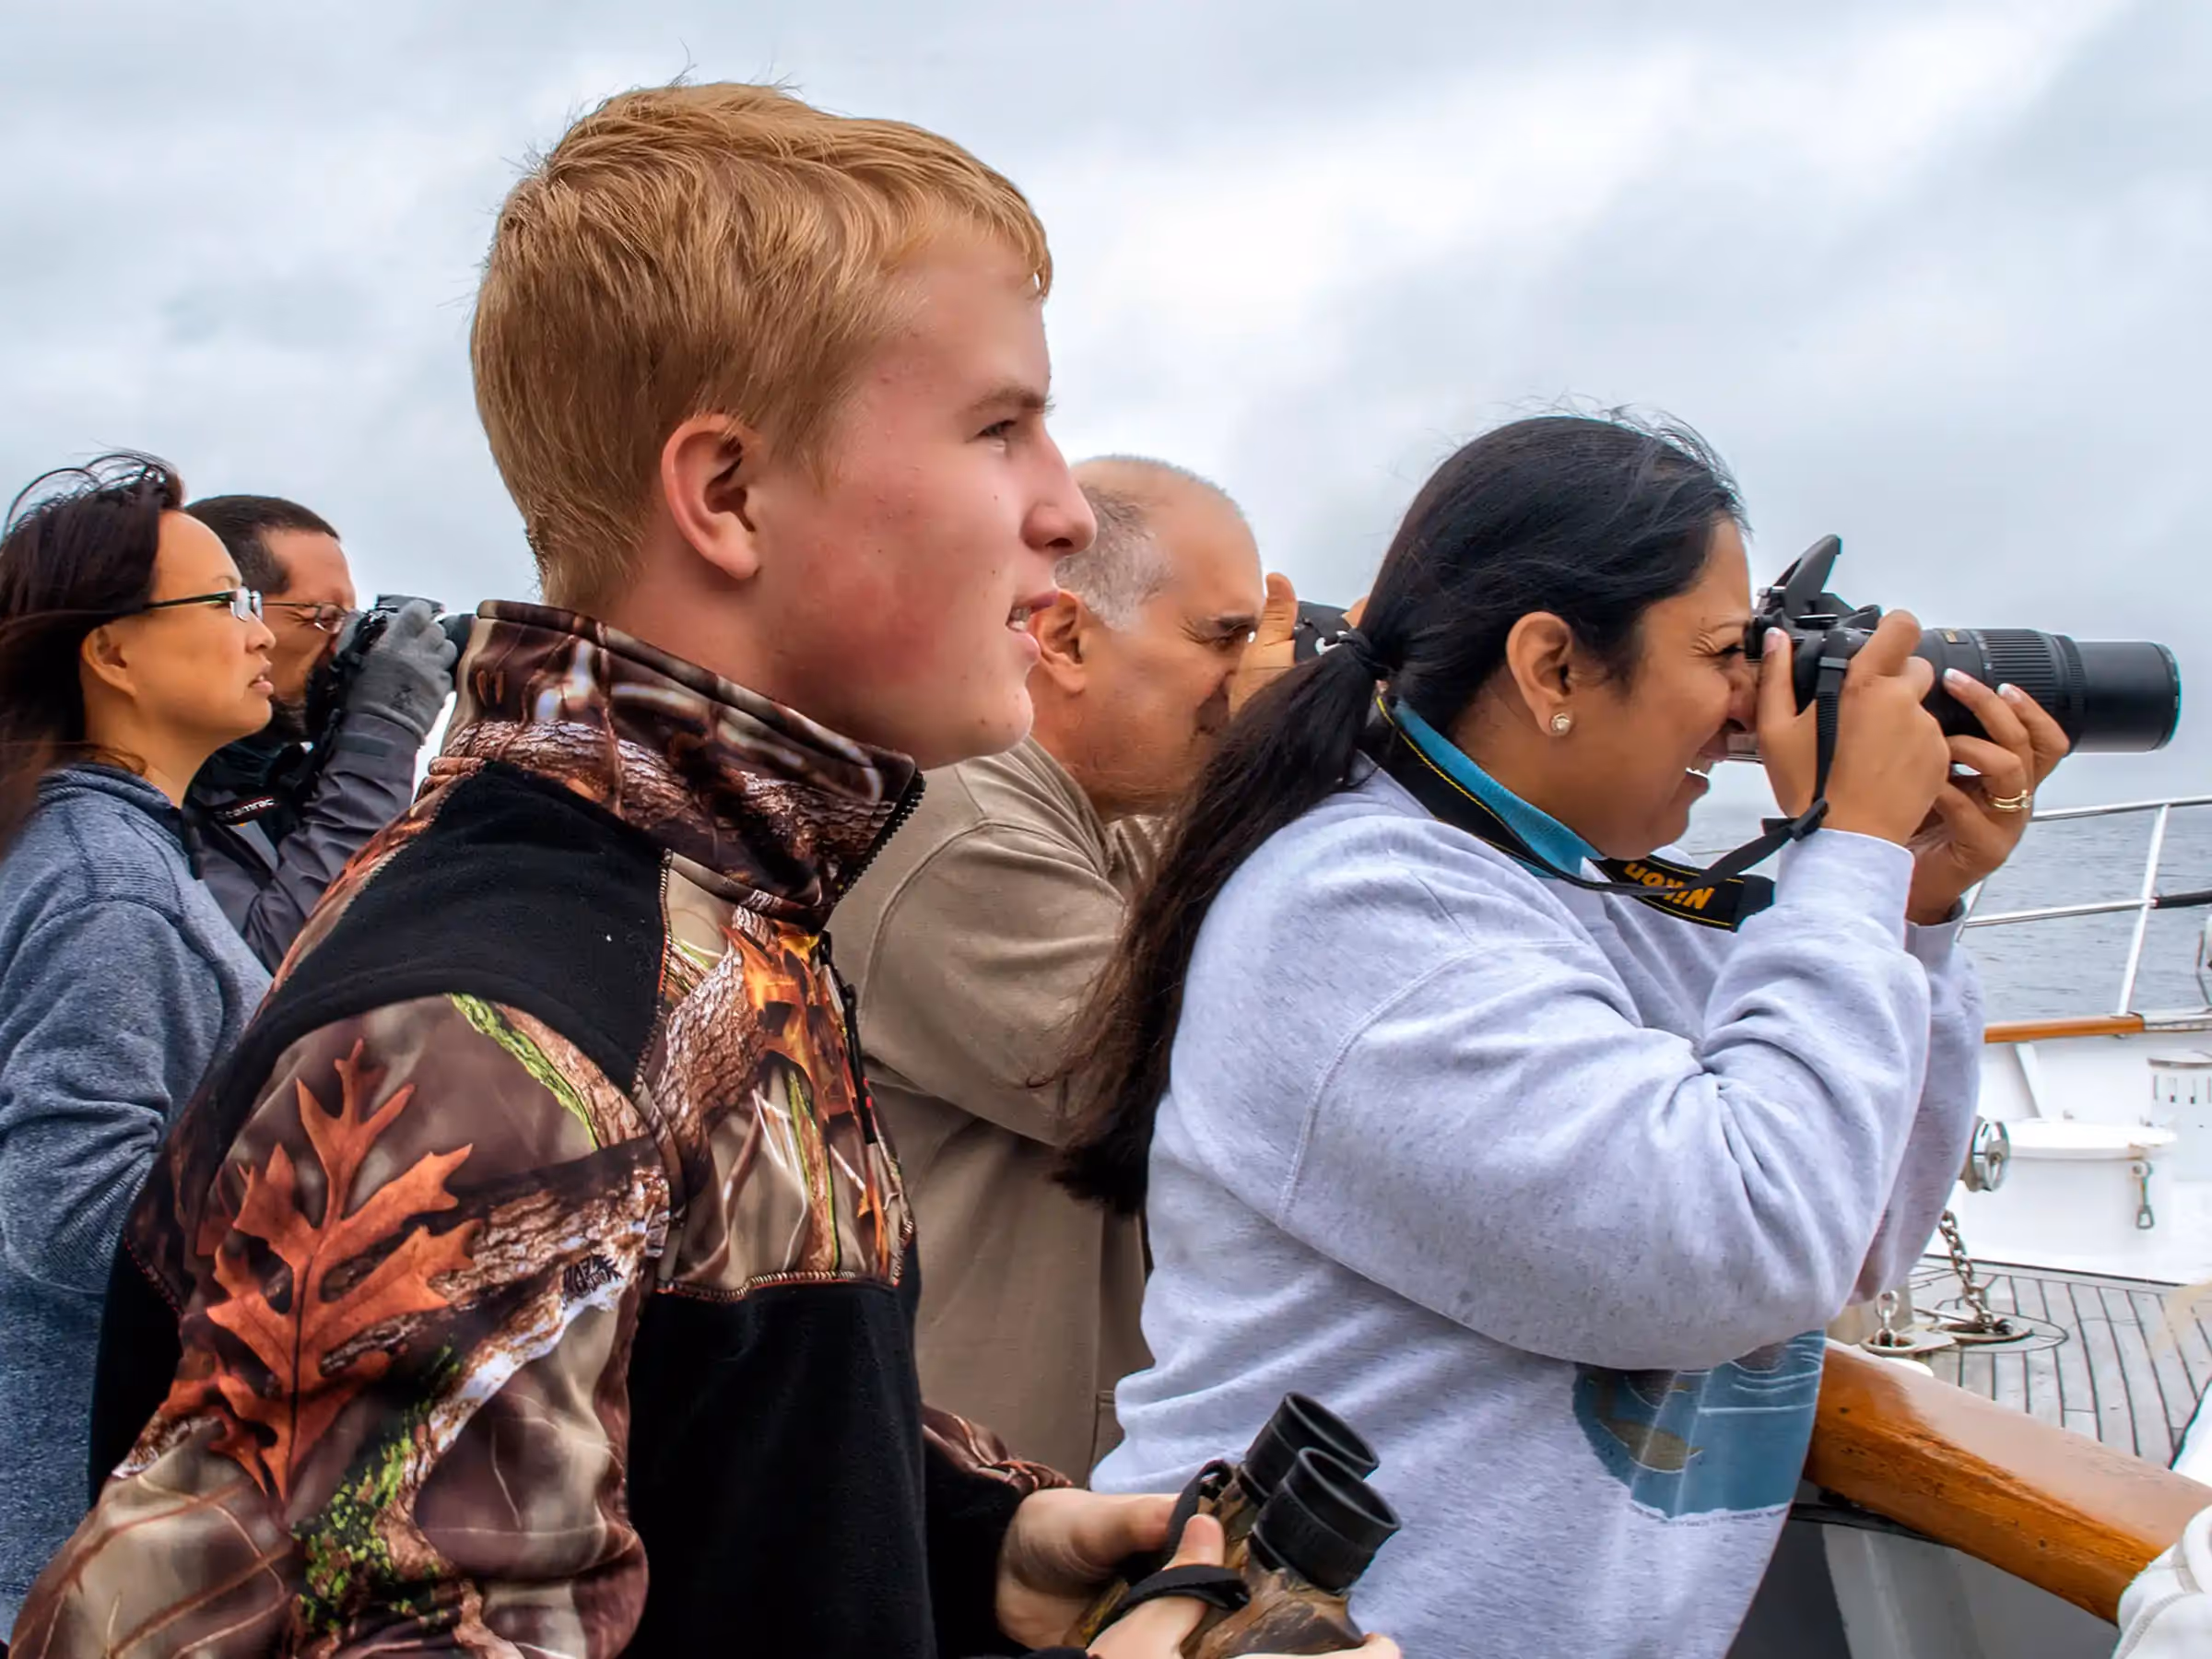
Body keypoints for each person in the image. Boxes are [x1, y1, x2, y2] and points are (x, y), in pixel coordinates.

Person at [11, 87, 1389, 1659]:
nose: (1065, 511)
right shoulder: (485, 1048)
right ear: (725, 495)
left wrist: (966, 1549)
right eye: (999, 427)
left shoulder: (717, 912)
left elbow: (660, 1447)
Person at [1068, 413, 2069, 1657]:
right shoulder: (1357, 909)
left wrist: (1907, 910)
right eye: (1720, 651)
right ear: (1552, 666)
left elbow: (1850, 1227)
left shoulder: (1581, 896)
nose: (1746, 701)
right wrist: (1848, 849)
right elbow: (1747, 1243)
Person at [833, 455, 1279, 1477]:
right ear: (1068, 637)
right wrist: (1283, 769)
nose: (1242, 685)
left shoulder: (1104, 813)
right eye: (1224, 639)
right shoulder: (958, 821)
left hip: (1017, 1472)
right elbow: (1213, 1082)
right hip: (964, 1496)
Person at [0, 455, 275, 1639]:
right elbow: (64, 1218)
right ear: (110, 653)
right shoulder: (115, 891)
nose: (258, 631)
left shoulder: (79, 853)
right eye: (227, 602)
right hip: (72, 1547)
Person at [182, 495, 457, 969]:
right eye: (323, 618)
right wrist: (380, 733)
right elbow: (279, 969)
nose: (341, 646)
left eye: (350, 620)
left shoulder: (272, 780)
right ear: (236, 615)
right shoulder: (143, 801)